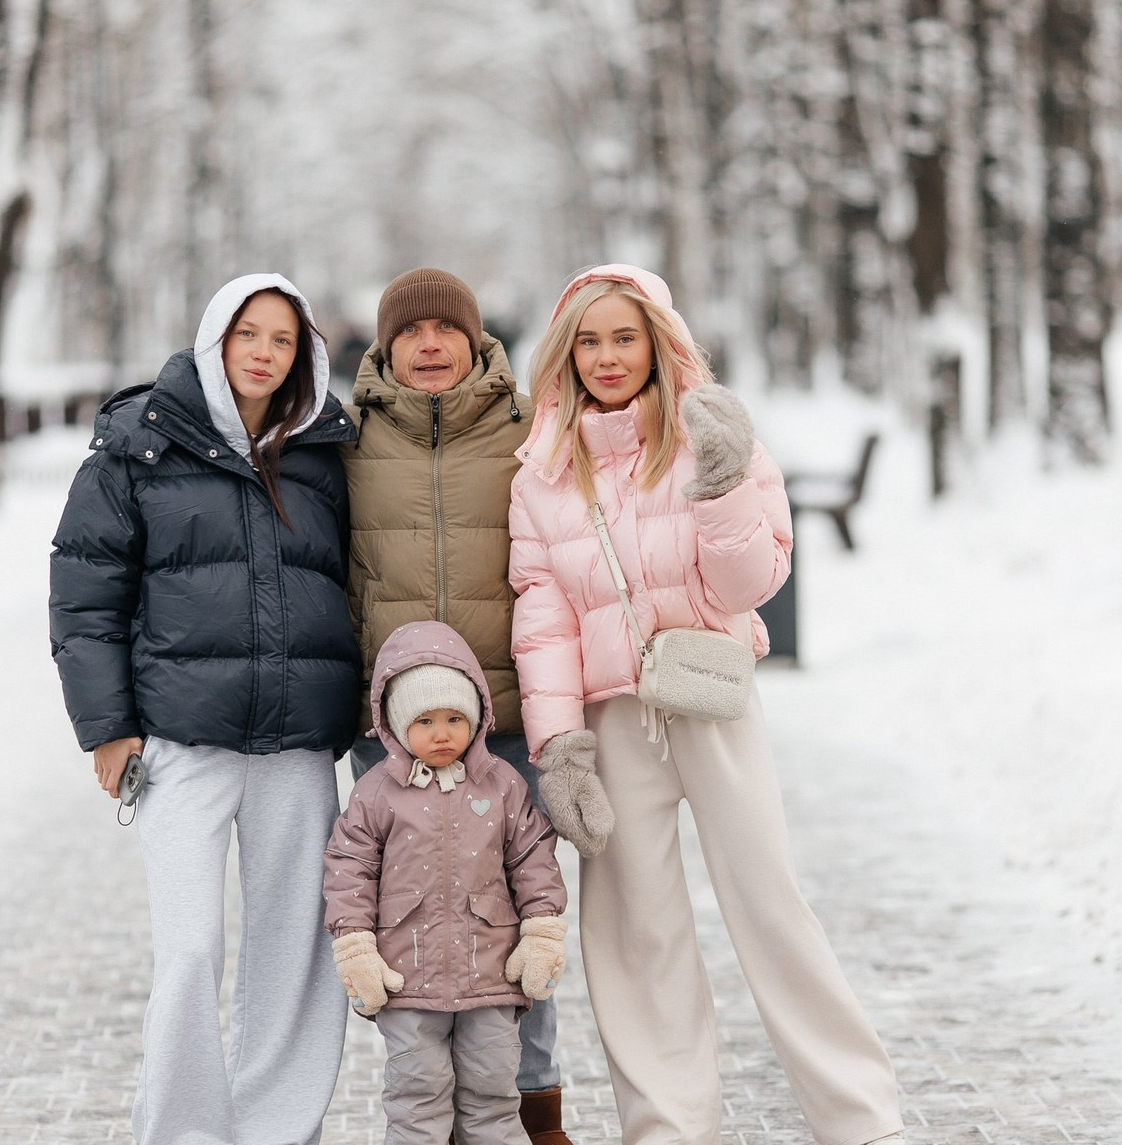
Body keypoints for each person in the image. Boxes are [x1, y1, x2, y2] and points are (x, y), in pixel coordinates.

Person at [507, 263, 907, 1145]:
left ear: (658, 340)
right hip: (612, 719)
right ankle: (667, 1128)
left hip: (711, 694)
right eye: (588, 339)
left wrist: (723, 486)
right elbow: (542, 618)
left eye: (624, 336)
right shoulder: (539, 469)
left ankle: (861, 1121)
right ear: (565, 351)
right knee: (633, 929)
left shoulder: (713, 434)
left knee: (769, 903)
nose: (607, 357)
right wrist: (561, 747)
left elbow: (754, 581)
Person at [49, 273, 362, 1145]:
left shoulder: (325, 451)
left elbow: (360, 581)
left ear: (305, 354)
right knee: (189, 950)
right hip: (183, 741)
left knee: (294, 955)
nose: (264, 353)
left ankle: (275, 1129)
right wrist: (107, 727)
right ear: (213, 340)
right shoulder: (140, 444)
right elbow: (84, 591)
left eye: (283, 340)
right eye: (247, 335)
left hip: (299, 744)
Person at [341, 268, 577, 1145]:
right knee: (407, 922)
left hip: (505, 721)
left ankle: (533, 1108)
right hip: (393, 730)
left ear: (478, 341)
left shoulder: (530, 430)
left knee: (515, 919)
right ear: (387, 345)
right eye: (412, 332)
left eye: (448, 329)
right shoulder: (349, 438)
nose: (430, 345)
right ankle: (424, 1114)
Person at [323, 620, 569, 1145]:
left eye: (456, 718)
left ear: (477, 718)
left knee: (494, 1096)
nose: (442, 733)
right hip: (408, 978)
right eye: (425, 720)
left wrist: (542, 930)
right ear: (394, 724)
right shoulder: (376, 794)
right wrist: (355, 946)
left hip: (491, 977)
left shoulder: (501, 785)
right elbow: (350, 867)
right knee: (416, 1098)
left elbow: (532, 857)